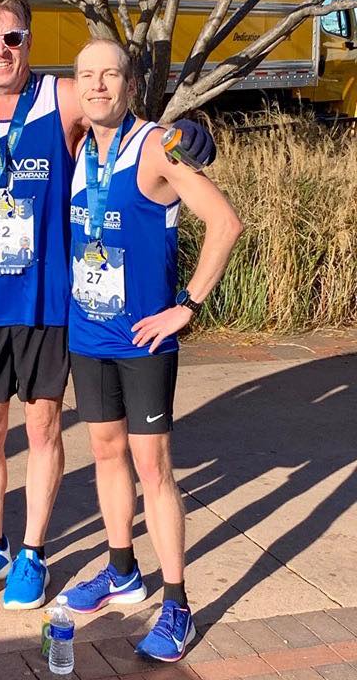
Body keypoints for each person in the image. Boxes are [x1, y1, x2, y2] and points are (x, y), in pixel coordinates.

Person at [0, 0, 216, 611]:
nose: (0, 50)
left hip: (50, 304)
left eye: (11, 37)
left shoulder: (61, 95)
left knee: (44, 426)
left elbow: (115, 107)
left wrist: (185, 132)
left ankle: (35, 554)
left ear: (29, 41)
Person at [60, 39, 242, 661]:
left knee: (152, 468)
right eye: (87, 75)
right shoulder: (78, 147)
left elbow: (225, 222)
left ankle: (177, 604)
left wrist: (186, 308)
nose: (98, 85)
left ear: (130, 84)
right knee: (105, 454)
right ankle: (120, 571)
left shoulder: (156, 147)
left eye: (110, 74)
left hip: (143, 340)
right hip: (87, 334)